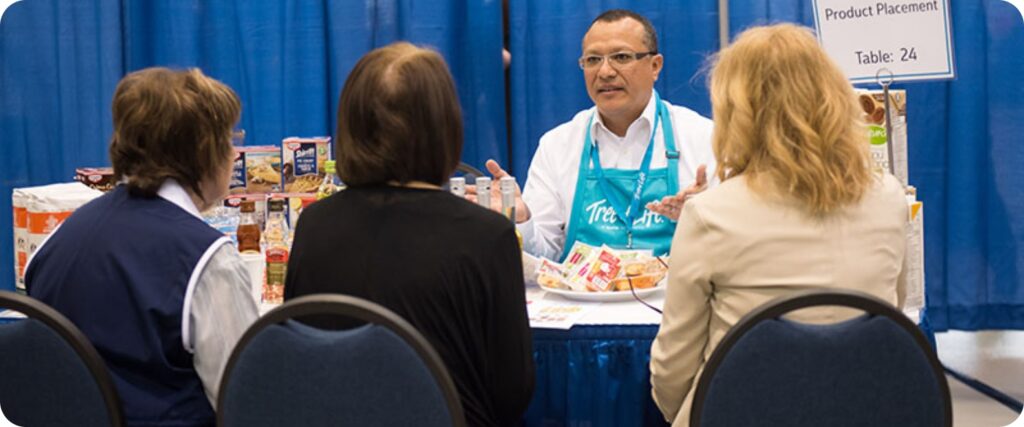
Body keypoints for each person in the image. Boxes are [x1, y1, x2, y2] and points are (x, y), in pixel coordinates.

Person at [649, 24, 909, 426]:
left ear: (735, 112)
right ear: (834, 97)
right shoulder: (890, 197)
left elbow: (672, 370)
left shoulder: (709, 214)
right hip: (865, 411)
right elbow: (893, 319)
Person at [283, 42, 534, 427]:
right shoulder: (487, 236)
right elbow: (512, 391)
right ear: (445, 125)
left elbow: (302, 357)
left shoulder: (314, 224)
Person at [25, 67, 259, 426]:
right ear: (203, 151)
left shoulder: (55, 243)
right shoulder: (207, 260)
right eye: (229, 139)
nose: (233, 153)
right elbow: (247, 403)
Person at [473, 9, 715, 261]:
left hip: (673, 298)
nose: (605, 72)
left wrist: (708, 216)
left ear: (655, 66)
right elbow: (543, 257)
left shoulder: (702, 137)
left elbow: (734, 245)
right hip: (579, 299)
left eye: (621, 57)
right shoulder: (558, 145)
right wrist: (520, 219)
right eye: (592, 60)